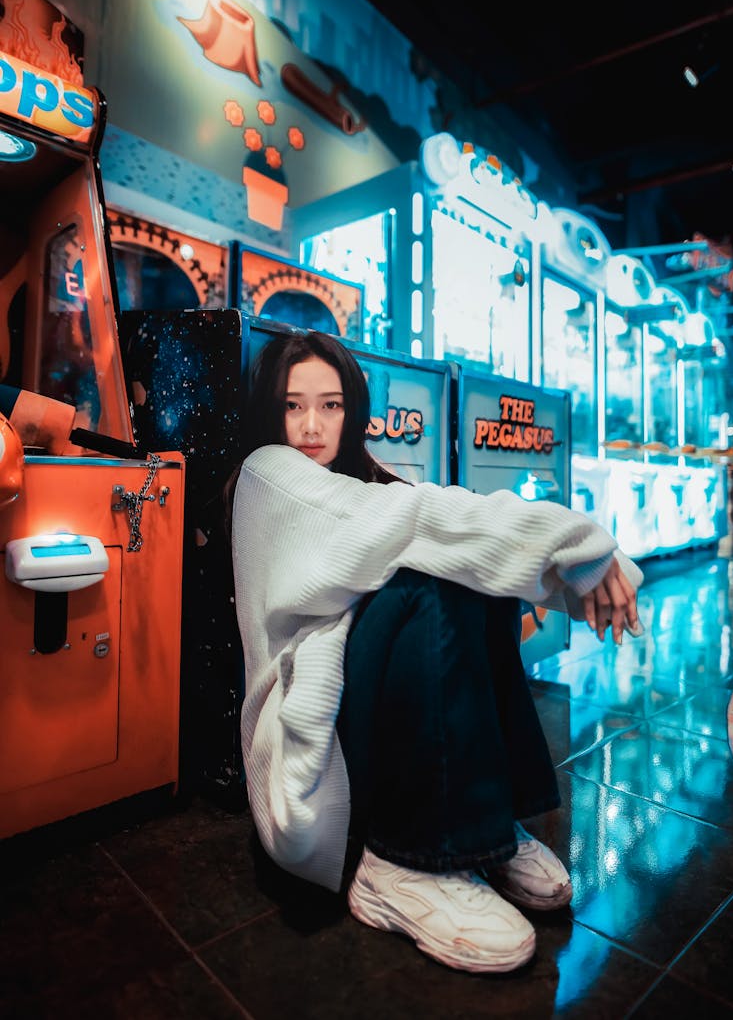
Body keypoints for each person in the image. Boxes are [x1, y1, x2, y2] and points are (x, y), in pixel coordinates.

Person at [225, 329, 643, 975]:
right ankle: (403, 864)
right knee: (429, 578)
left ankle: (486, 829)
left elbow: (447, 523)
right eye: (293, 405)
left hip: (360, 725)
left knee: (473, 570)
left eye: (330, 405)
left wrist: (577, 572)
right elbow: (419, 520)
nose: (311, 425)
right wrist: (583, 551)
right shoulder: (268, 475)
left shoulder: (352, 481)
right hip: (314, 758)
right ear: (269, 411)